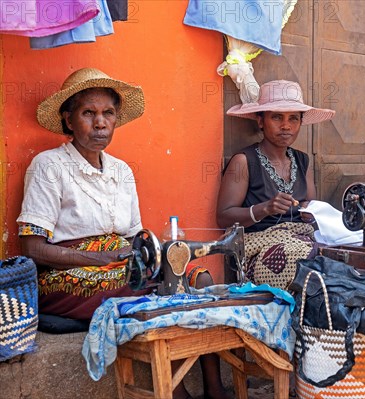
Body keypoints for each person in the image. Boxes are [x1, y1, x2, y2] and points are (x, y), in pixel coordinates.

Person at [18, 68, 227, 399]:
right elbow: (32, 248)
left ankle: (215, 387)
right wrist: (101, 258)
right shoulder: (49, 166)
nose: (100, 123)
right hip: (62, 273)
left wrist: (158, 255)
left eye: (108, 113)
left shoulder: (121, 170)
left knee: (199, 281)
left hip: (119, 263)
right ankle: (176, 391)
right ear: (69, 120)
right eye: (89, 113)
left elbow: (134, 238)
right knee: (146, 287)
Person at [217, 80, 335, 289]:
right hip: (259, 249)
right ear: (261, 121)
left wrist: (310, 209)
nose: (286, 126)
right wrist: (264, 209)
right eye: (277, 117)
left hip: (300, 241)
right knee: (308, 273)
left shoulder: (302, 160)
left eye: (293, 119)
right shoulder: (244, 161)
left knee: (337, 262)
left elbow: (311, 206)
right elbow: (223, 217)